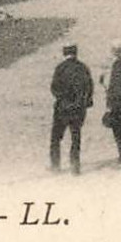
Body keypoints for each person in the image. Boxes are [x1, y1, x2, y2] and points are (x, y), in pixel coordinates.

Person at [49, 43, 94, 174]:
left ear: (64, 53)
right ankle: (75, 166)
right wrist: (85, 102)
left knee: (56, 138)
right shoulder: (83, 68)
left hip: (62, 108)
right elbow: (89, 87)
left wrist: (62, 98)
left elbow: (54, 88)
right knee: (75, 137)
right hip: (78, 109)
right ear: (76, 53)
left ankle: (55, 165)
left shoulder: (60, 68)